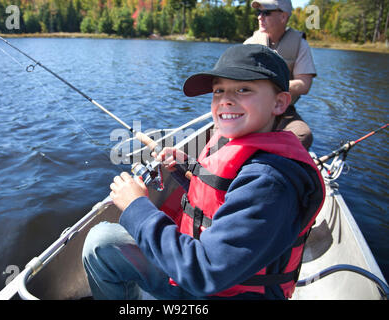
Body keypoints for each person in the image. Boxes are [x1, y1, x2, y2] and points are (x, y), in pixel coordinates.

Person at [81, 44, 325, 300]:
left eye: (244, 89)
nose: (225, 99)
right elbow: (221, 195)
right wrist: (183, 168)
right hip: (197, 271)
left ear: (279, 102)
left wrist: (137, 206)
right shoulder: (239, 144)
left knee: (101, 242)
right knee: (102, 244)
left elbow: (203, 273)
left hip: (216, 290)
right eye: (219, 90)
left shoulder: (270, 183)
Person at [244, 0, 316, 150]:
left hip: (282, 111)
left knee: (303, 135)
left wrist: (270, 88)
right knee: (223, 133)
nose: (260, 17)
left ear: (283, 17)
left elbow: (304, 84)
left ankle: (273, 165)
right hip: (249, 109)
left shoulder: (300, 44)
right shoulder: (249, 44)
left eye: (266, 13)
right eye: (259, 12)